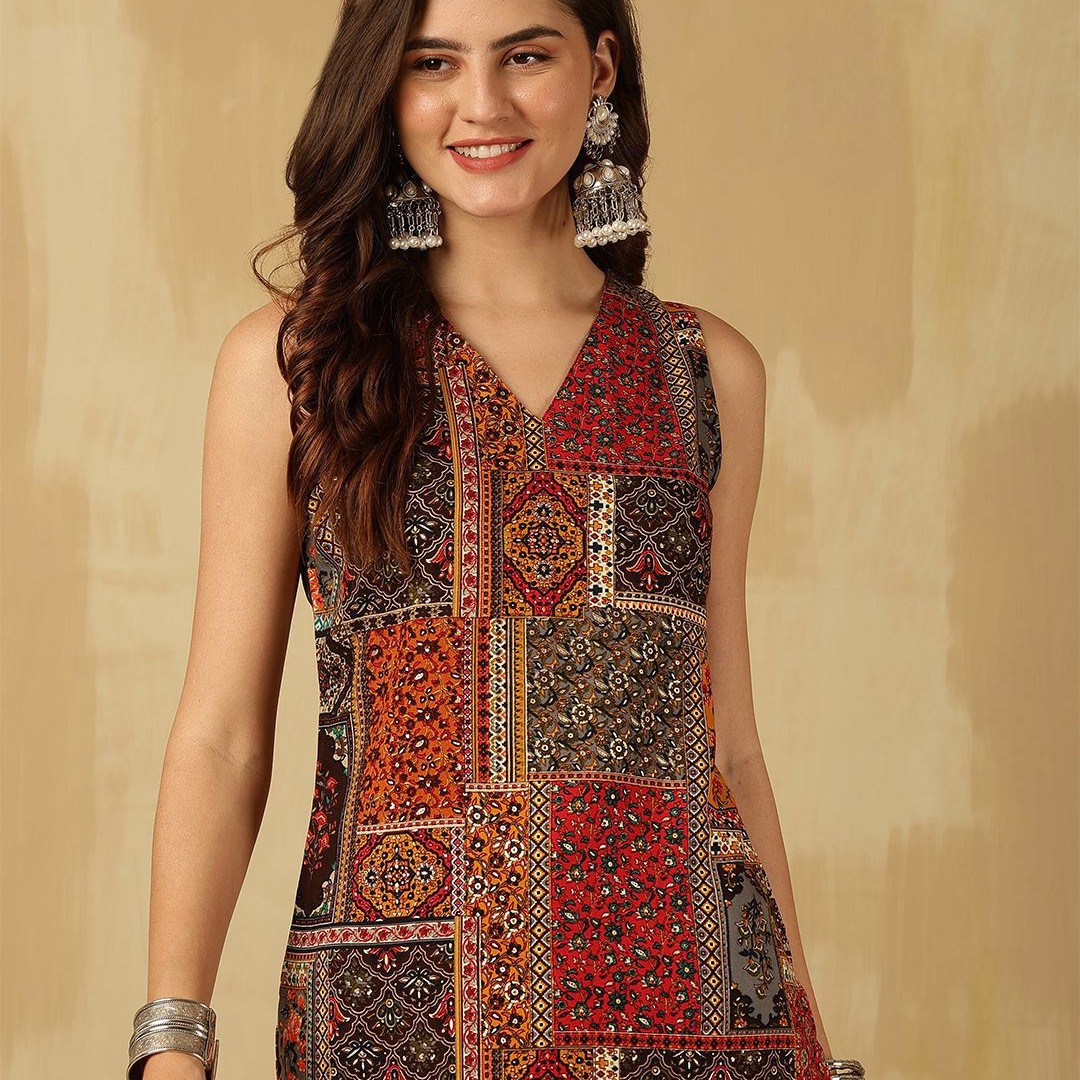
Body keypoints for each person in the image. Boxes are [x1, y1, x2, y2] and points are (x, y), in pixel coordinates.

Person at [127, 2, 865, 1079]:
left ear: (599, 69)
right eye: (435, 63)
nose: (483, 104)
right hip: (398, 1018)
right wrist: (171, 1038)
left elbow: (728, 747)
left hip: (703, 1019)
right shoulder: (298, 366)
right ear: (387, 90)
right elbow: (224, 736)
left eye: (526, 55)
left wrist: (822, 1051)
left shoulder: (704, 373)